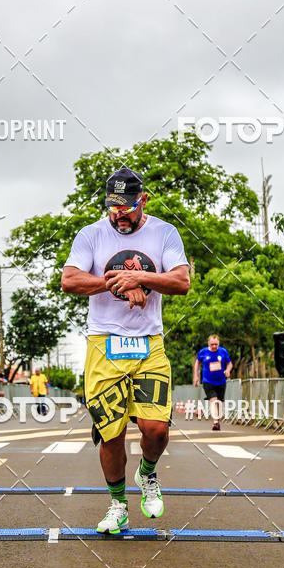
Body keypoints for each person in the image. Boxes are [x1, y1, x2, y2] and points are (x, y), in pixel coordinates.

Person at [62, 166, 189, 534]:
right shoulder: (91, 235)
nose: (119, 215)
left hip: (149, 343)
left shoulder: (164, 233)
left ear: (143, 201)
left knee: (156, 429)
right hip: (104, 344)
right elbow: (69, 279)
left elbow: (181, 281)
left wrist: (141, 277)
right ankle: (118, 505)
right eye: (113, 207)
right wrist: (116, 282)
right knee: (111, 432)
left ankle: (147, 473)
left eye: (127, 208)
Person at [193, 334, 232, 431]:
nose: (214, 346)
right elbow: (197, 363)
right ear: (208, 343)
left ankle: (217, 420)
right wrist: (196, 376)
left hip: (221, 381)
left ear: (219, 343)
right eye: (212, 344)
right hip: (208, 381)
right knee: (213, 400)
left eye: (216, 344)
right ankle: (215, 422)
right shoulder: (203, 352)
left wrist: (228, 370)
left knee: (219, 402)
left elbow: (229, 364)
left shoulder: (223, 351)